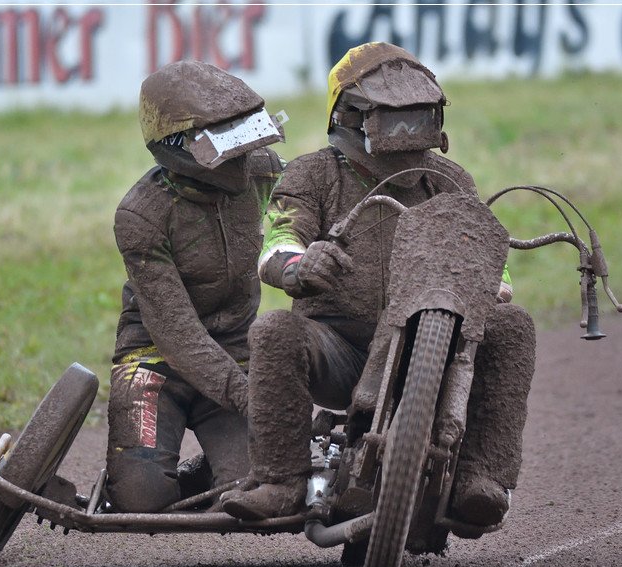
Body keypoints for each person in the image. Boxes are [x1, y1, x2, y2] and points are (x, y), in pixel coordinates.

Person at [221, 43, 536, 535]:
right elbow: (277, 241)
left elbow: (491, 263)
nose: (408, 134)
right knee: (276, 330)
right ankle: (280, 480)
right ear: (349, 116)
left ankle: (482, 476)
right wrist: (302, 263)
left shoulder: (449, 180)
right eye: (393, 120)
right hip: (340, 345)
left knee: (512, 325)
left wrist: (494, 286)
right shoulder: (312, 173)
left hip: (431, 344)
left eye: (417, 118)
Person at [106, 61, 285, 513]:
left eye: (243, 134)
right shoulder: (141, 215)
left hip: (235, 352)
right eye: (226, 141)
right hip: (152, 357)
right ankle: (143, 474)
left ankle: (208, 472)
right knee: (142, 500)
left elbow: (311, 208)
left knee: (254, 486)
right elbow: (177, 335)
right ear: (176, 149)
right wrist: (251, 396)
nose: (241, 154)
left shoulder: (261, 171)